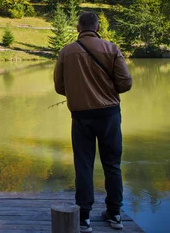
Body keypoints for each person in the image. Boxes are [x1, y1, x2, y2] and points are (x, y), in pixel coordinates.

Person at [54, 12, 132, 232]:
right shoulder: (112, 48)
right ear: (98, 28)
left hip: (81, 117)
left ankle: (84, 217)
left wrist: (80, 93)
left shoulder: (66, 51)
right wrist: (107, 90)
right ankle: (115, 214)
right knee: (112, 165)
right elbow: (125, 84)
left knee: (84, 165)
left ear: (78, 27)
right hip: (109, 115)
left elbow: (59, 87)